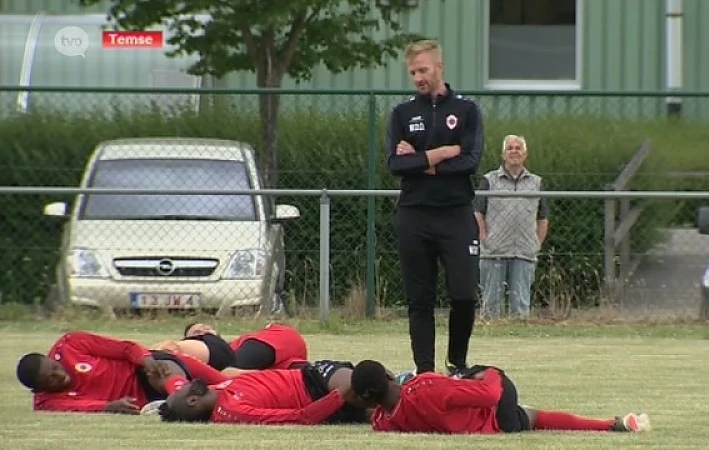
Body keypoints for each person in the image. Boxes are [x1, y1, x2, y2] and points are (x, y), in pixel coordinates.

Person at [386, 38, 485, 376]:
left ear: (440, 67)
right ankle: (425, 372)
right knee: (419, 299)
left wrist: (418, 160)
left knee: (463, 294)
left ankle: (457, 363)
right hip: (414, 214)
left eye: (424, 70)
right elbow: (394, 165)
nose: (418, 77)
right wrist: (441, 154)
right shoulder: (402, 113)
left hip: (456, 213)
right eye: (413, 72)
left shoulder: (467, 110)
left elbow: (470, 160)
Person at [350, 359, 651, 435]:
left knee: (531, 418)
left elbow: (381, 415)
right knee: (532, 415)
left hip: (477, 423)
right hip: (495, 418)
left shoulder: (386, 421)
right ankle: (609, 425)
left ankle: (611, 424)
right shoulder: (426, 388)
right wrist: (492, 371)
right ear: (390, 376)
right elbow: (491, 394)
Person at [15, 330, 229, 414]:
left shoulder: (70, 344)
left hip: (149, 368)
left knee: (229, 381)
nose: (60, 376)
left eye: (55, 368)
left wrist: (146, 361)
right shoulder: (47, 402)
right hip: (146, 396)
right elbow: (81, 406)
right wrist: (109, 406)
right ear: (39, 389)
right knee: (222, 392)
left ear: (51, 358)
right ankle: (192, 397)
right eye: (51, 380)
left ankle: (180, 398)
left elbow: (125, 348)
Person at [473, 134, 549, 319]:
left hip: (524, 251)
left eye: (518, 148)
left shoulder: (536, 183)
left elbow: (543, 217)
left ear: (525, 154)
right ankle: (491, 337)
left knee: (521, 306)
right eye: (510, 148)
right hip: (494, 250)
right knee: (490, 306)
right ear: (503, 154)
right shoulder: (489, 180)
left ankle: (519, 336)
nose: (514, 151)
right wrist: (485, 238)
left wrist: (536, 244)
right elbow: (478, 213)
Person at [157, 359, 369, 425]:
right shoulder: (231, 411)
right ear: (193, 400)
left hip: (311, 375)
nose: (185, 383)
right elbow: (300, 417)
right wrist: (341, 394)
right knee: (369, 387)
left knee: (372, 386)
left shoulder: (218, 389)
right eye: (181, 390)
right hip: (315, 390)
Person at [152, 322, 308, 374]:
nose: (203, 331)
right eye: (196, 333)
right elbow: (171, 346)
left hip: (280, 340)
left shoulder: (241, 343)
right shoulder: (195, 352)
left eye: (206, 328)